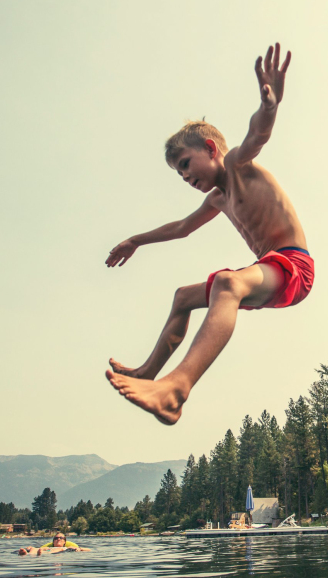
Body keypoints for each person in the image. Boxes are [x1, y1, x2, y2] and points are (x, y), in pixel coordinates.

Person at [104, 43, 313, 425]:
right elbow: (181, 228)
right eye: (179, 174)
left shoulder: (237, 165)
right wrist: (136, 240)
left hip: (293, 267)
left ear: (211, 148)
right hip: (267, 267)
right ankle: (149, 373)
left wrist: (270, 106)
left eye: (186, 165)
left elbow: (257, 135)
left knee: (227, 285)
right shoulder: (218, 198)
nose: (186, 177)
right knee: (183, 297)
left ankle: (176, 390)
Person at [17, 532, 90, 556]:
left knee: (59, 549)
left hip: (56, 552)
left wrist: (79, 549)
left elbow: (89, 549)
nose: (58, 539)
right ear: (53, 541)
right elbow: (37, 548)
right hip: (47, 550)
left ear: (64, 541)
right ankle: (27, 554)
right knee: (34, 548)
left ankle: (40, 554)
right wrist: (29, 548)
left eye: (61, 538)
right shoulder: (48, 547)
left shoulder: (67, 547)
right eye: (56, 538)